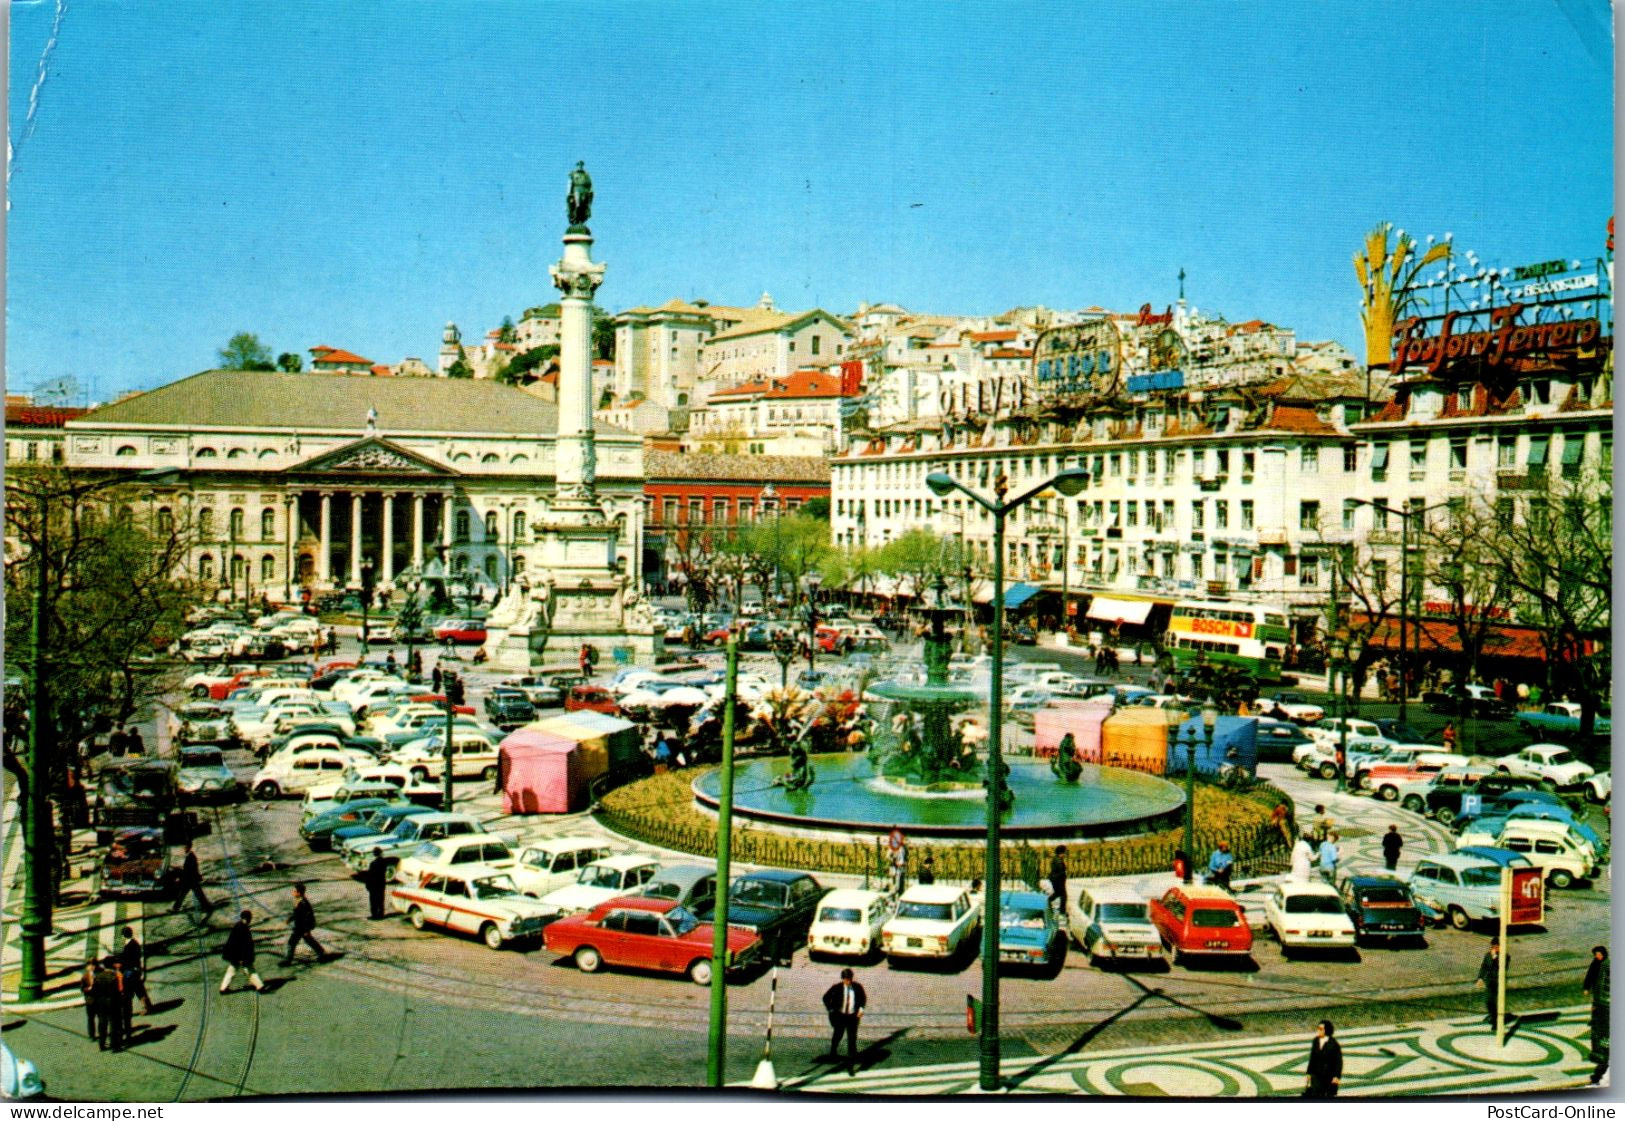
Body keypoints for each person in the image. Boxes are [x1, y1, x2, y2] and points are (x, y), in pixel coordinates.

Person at [821, 967, 867, 1072]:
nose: (848, 981)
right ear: (842, 979)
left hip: (852, 1017)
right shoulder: (836, 987)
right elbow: (825, 997)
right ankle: (833, 1052)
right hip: (840, 1016)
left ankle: (850, 1065)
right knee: (838, 1035)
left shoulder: (857, 987)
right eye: (846, 979)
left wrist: (861, 1009)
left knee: (852, 1040)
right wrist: (831, 1009)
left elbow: (862, 998)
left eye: (849, 979)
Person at [220, 910, 266, 994]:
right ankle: (260, 987)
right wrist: (242, 958)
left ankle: (223, 988)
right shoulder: (242, 928)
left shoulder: (239, 926)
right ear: (248, 918)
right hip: (240, 955)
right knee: (250, 970)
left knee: (232, 970)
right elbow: (241, 945)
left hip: (235, 954)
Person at [282, 882, 328, 965]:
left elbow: (308, 917)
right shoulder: (298, 901)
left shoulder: (303, 903)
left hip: (302, 927)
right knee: (309, 941)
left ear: (299, 893)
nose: (293, 893)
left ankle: (288, 960)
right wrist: (290, 919)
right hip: (299, 926)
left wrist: (307, 930)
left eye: (294, 891)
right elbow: (296, 914)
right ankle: (321, 953)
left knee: (292, 942)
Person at [1585, 946, 1610, 1084]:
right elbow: (1590, 975)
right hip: (1601, 1002)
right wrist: (1586, 987)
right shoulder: (1597, 964)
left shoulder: (1606, 966)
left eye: (1599, 954)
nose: (1597, 956)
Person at [118, 925, 154, 1016]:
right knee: (139, 989)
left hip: (131, 971)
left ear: (124, 935)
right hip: (135, 969)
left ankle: (145, 1007)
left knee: (135, 990)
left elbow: (128, 959)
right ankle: (148, 1006)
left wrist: (122, 964)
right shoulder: (134, 943)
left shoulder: (129, 945)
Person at [91, 957, 124, 1051]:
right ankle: (114, 1044)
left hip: (101, 1001)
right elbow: (117, 991)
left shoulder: (98, 976)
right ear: (112, 965)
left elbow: (94, 990)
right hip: (112, 1001)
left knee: (102, 1022)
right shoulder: (113, 976)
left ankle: (101, 1043)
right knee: (113, 1023)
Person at [1304, 1019, 1343, 1098]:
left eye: (1321, 1029)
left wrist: (1336, 1076)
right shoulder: (1315, 1041)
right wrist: (1308, 1072)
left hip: (1329, 1076)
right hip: (1316, 1075)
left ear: (1326, 1030)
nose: (1318, 1030)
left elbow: (1339, 1061)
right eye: (1318, 1028)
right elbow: (1313, 1057)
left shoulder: (1334, 1044)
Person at [173, 840, 211, 915]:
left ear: (188, 847)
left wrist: (180, 874)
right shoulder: (189, 856)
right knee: (184, 894)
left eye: (185, 847)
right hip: (190, 880)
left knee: (197, 894)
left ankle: (207, 908)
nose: (184, 848)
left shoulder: (191, 856)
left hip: (191, 880)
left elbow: (189, 870)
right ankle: (175, 908)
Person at [1478, 937, 1502, 1024]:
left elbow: (1501, 966)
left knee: (1497, 1001)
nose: (1494, 949)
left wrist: (1495, 957)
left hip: (1499, 982)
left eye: (1496, 947)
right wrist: (1480, 978)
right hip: (1489, 981)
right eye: (1493, 947)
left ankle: (1496, 1019)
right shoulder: (1488, 955)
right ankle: (1492, 1015)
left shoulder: (1504, 956)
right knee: (1488, 1000)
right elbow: (1484, 967)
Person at [365, 849, 391, 921]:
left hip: (374, 884)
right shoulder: (384, 862)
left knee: (373, 901)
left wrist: (368, 884)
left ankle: (374, 915)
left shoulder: (373, 863)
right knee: (380, 899)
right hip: (381, 884)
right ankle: (381, 914)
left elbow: (370, 875)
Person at [81, 959, 100, 1043]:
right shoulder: (85, 976)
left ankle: (101, 1033)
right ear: (87, 967)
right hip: (90, 1000)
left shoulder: (99, 974)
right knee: (90, 1018)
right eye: (90, 965)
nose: (92, 967)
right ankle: (91, 1035)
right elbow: (82, 988)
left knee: (101, 1018)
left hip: (99, 999)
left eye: (93, 965)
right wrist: (88, 989)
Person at [1048, 845, 1068, 910]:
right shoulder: (1058, 860)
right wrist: (1064, 874)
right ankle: (1062, 910)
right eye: (1064, 852)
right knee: (1063, 896)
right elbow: (1060, 870)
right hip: (1058, 880)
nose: (1065, 854)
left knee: (1058, 893)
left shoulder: (1057, 859)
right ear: (1061, 853)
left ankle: (1047, 901)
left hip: (1057, 880)